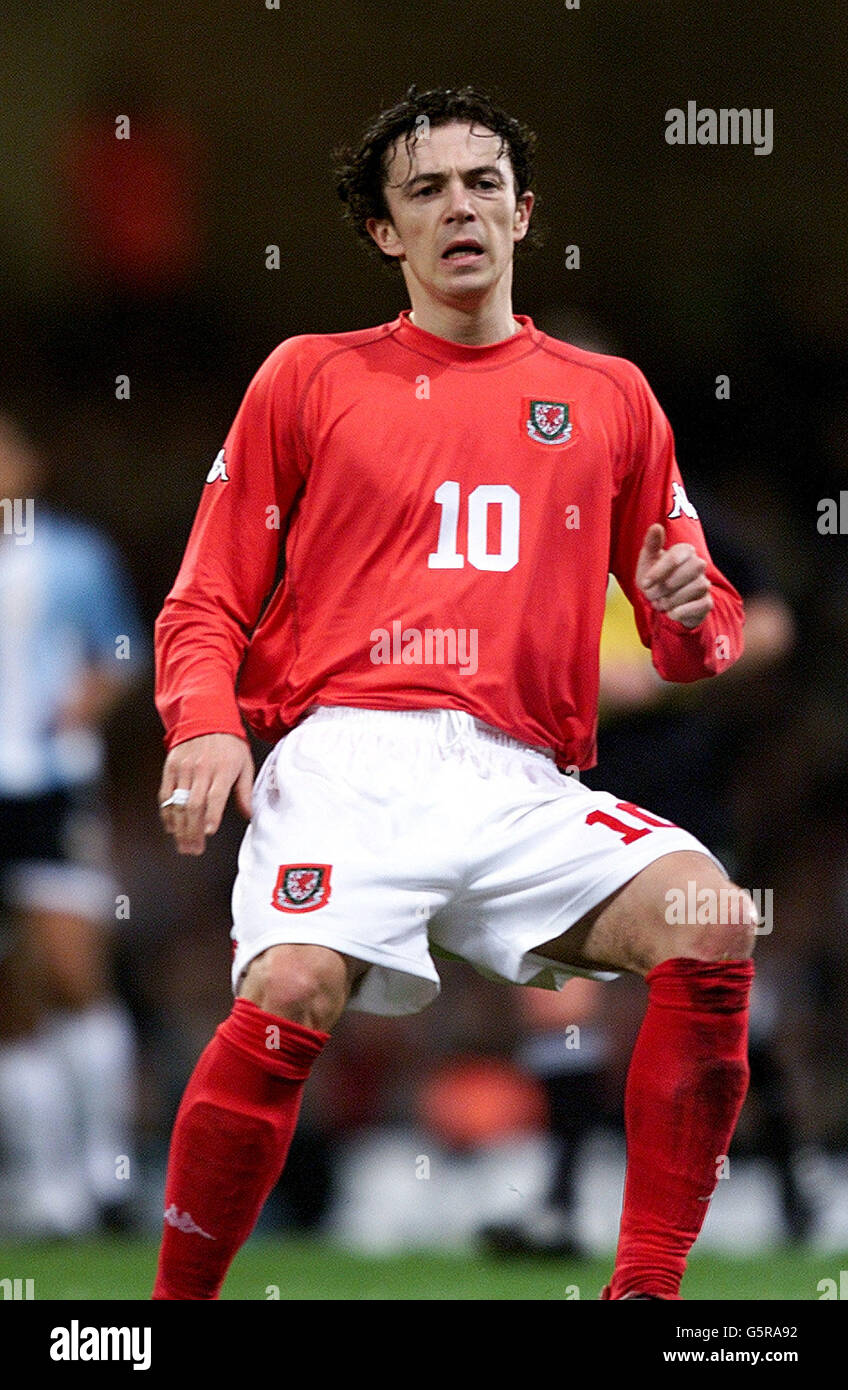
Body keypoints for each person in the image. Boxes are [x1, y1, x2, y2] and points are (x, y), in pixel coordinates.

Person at [153, 85, 757, 1301]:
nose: (457, 206)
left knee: (712, 920)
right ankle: (170, 1318)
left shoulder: (609, 398)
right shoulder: (310, 379)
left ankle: (646, 1297)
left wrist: (688, 620)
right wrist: (208, 724)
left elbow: (701, 631)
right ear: (385, 233)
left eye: (482, 183)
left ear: (523, 212)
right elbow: (202, 601)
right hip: (344, 757)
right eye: (422, 189)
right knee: (291, 986)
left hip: (517, 776)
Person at [0, 412, 142, 1235]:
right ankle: (46, 1187)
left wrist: (87, 701)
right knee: (10, 995)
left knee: (73, 974)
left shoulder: (73, 556)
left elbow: (124, 649)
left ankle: (105, 1169)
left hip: (47, 784)